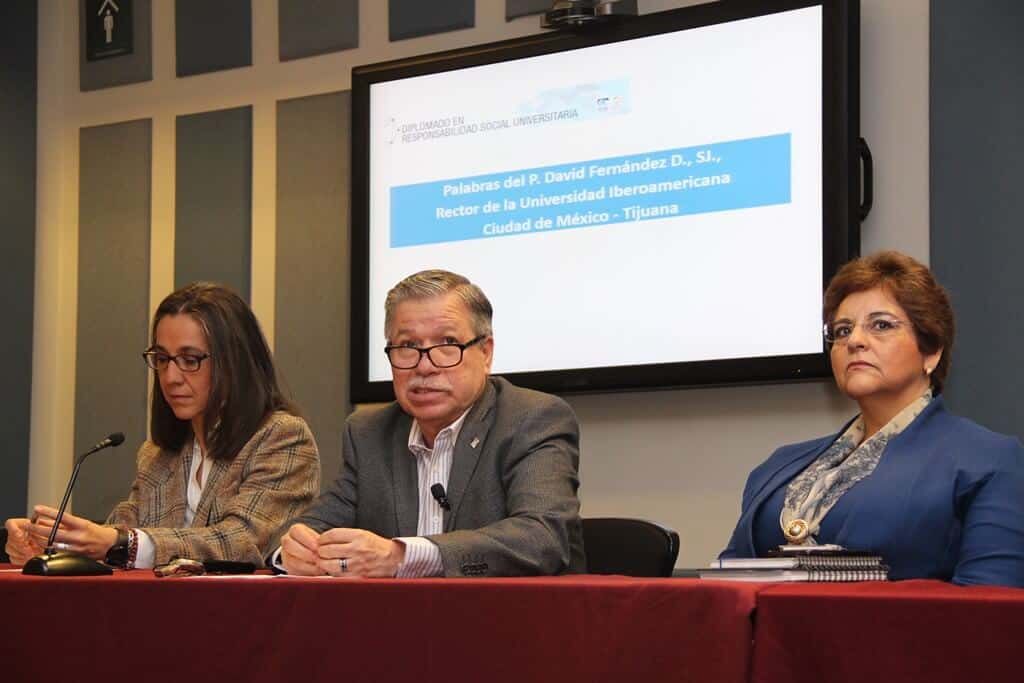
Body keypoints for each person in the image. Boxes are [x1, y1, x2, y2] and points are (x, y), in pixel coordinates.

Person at [720, 251, 1024, 586]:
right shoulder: (777, 467)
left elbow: (988, 603)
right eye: (842, 330)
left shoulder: (987, 461)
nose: (854, 341)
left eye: (881, 325)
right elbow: (726, 588)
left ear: (931, 351)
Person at [275, 269, 584, 577]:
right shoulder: (369, 433)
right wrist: (293, 552)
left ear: (485, 353)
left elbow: (542, 537)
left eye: (448, 343)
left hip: (507, 608)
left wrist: (402, 556)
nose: (424, 366)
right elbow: (305, 529)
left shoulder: (532, 419)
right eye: (407, 346)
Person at [4, 282, 320, 569]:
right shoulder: (157, 453)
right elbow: (121, 530)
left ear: (235, 361)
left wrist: (118, 542)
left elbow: (243, 541)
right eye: (163, 359)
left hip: (240, 611)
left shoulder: (282, 437)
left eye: (190, 360)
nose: (170, 377)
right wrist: (53, 543)